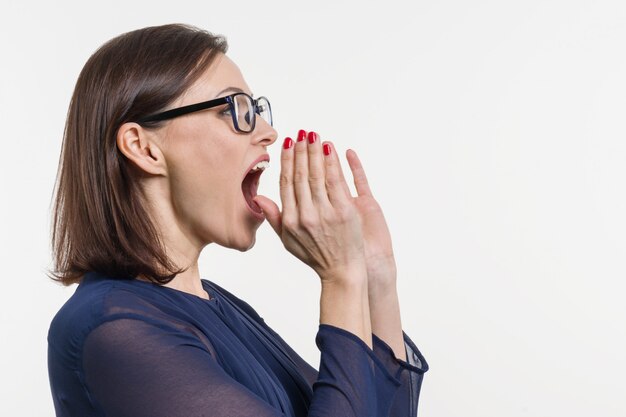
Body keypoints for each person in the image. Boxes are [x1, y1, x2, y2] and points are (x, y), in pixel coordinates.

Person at [46, 23, 429, 417]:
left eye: (257, 109)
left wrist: (376, 276)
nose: (267, 132)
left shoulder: (223, 307)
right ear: (144, 148)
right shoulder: (114, 328)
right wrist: (342, 278)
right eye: (236, 110)